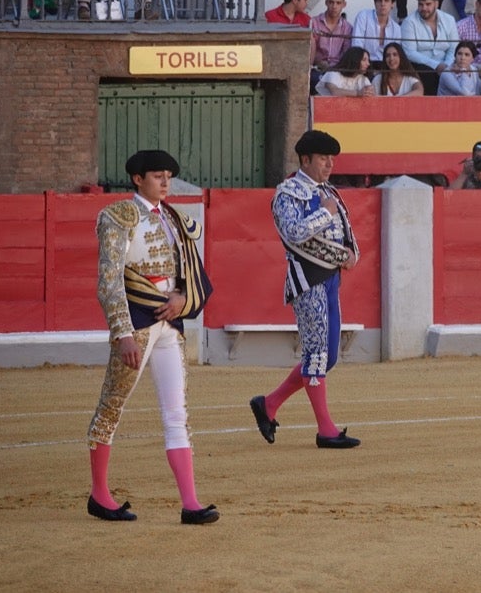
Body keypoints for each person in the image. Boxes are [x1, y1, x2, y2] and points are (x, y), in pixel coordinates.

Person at [88, 149, 218, 524]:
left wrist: (181, 299)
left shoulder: (174, 218)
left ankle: (190, 504)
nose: (165, 181)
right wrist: (123, 333)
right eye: (158, 176)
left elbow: (189, 273)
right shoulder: (118, 217)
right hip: (136, 323)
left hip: (168, 324)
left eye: (167, 175)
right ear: (137, 179)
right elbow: (109, 282)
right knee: (111, 408)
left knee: (177, 414)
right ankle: (99, 494)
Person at [250, 131, 363, 452]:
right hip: (306, 279)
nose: (330, 164)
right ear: (305, 160)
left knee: (327, 358)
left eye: (332, 159)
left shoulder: (328, 191)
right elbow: (293, 233)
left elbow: (346, 231)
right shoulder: (288, 192)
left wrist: (352, 253)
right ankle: (325, 430)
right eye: (323, 158)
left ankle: (268, 404)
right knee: (316, 354)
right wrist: (325, 213)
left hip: (330, 279)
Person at [401, 0, 459, 94]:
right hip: (421, 67)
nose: (424, 8)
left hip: (447, 64)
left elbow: (454, 47)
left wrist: (446, 66)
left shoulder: (449, 20)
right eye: (420, 4)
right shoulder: (409, 22)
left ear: (436, 4)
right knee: (428, 75)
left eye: (428, 4)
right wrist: (436, 65)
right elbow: (409, 53)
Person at [310, 0, 353, 88]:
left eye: (338, 3)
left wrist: (336, 68)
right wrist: (319, 62)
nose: (334, 6)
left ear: (344, 4)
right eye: (331, 2)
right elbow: (310, 50)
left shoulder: (347, 28)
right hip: (317, 69)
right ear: (326, 2)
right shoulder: (314, 23)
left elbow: (346, 53)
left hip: (338, 70)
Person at [352, 0, 402, 68]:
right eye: (379, 1)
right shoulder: (363, 16)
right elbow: (357, 45)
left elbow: (396, 53)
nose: (383, 4)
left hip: (386, 66)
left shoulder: (396, 28)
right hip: (363, 64)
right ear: (375, 3)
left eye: (386, 1)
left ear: (392, 4)